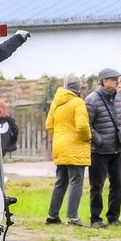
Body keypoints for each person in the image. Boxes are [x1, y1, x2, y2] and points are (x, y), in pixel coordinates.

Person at [84, 67, 121, 228]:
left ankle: (113, 217)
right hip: (99, 151)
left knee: (117, 185)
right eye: (114, 79)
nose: (117, 82)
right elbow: (87, 125)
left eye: (118, 79)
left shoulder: (117, 98)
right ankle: (95, 219)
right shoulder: (91, 100)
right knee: (97, 186)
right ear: (104, 81)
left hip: (116, 149)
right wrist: (99, 141)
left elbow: (119, 120)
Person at [45, 74, 91, 226]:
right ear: (78, 87)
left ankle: (52, 216)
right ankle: (73, 217)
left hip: (60, 146)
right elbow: (82, 126)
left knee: (61, 181)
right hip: (76, 147)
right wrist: (87, 138)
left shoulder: (56, 103)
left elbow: (49, 125)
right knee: (76, 181)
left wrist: (59, 137)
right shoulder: (78, 103)